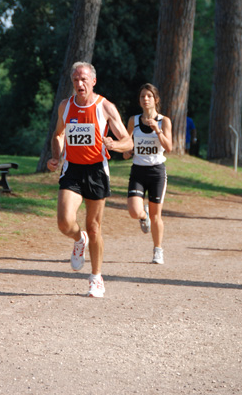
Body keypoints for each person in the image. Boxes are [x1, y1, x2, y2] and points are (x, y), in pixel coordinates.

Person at [47, 62, 132, 298]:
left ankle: (96, 277)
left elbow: (128, 141)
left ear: (93, 81)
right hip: (72, 169)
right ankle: (78, 239)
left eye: (84, 79)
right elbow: (58, 134)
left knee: (94, 227)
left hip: (96, 170)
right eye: (75, 80)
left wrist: (115, 145)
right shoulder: (65, 106)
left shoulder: (104, 107)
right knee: (64, 222)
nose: (79, 84)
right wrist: (56, 157)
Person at [123, 83, 172, 265]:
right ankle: (143, 216)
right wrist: (126, 151)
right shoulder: (133, 121)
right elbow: (127, 143)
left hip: (156, 172)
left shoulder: (163, 121)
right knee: (134, 211)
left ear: (155, 100)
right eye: (143, 96)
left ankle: (158, 250)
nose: (145, 99)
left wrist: (157, 130)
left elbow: (169, 147)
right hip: (138, 171)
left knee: (156, 215)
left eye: (149, 96)